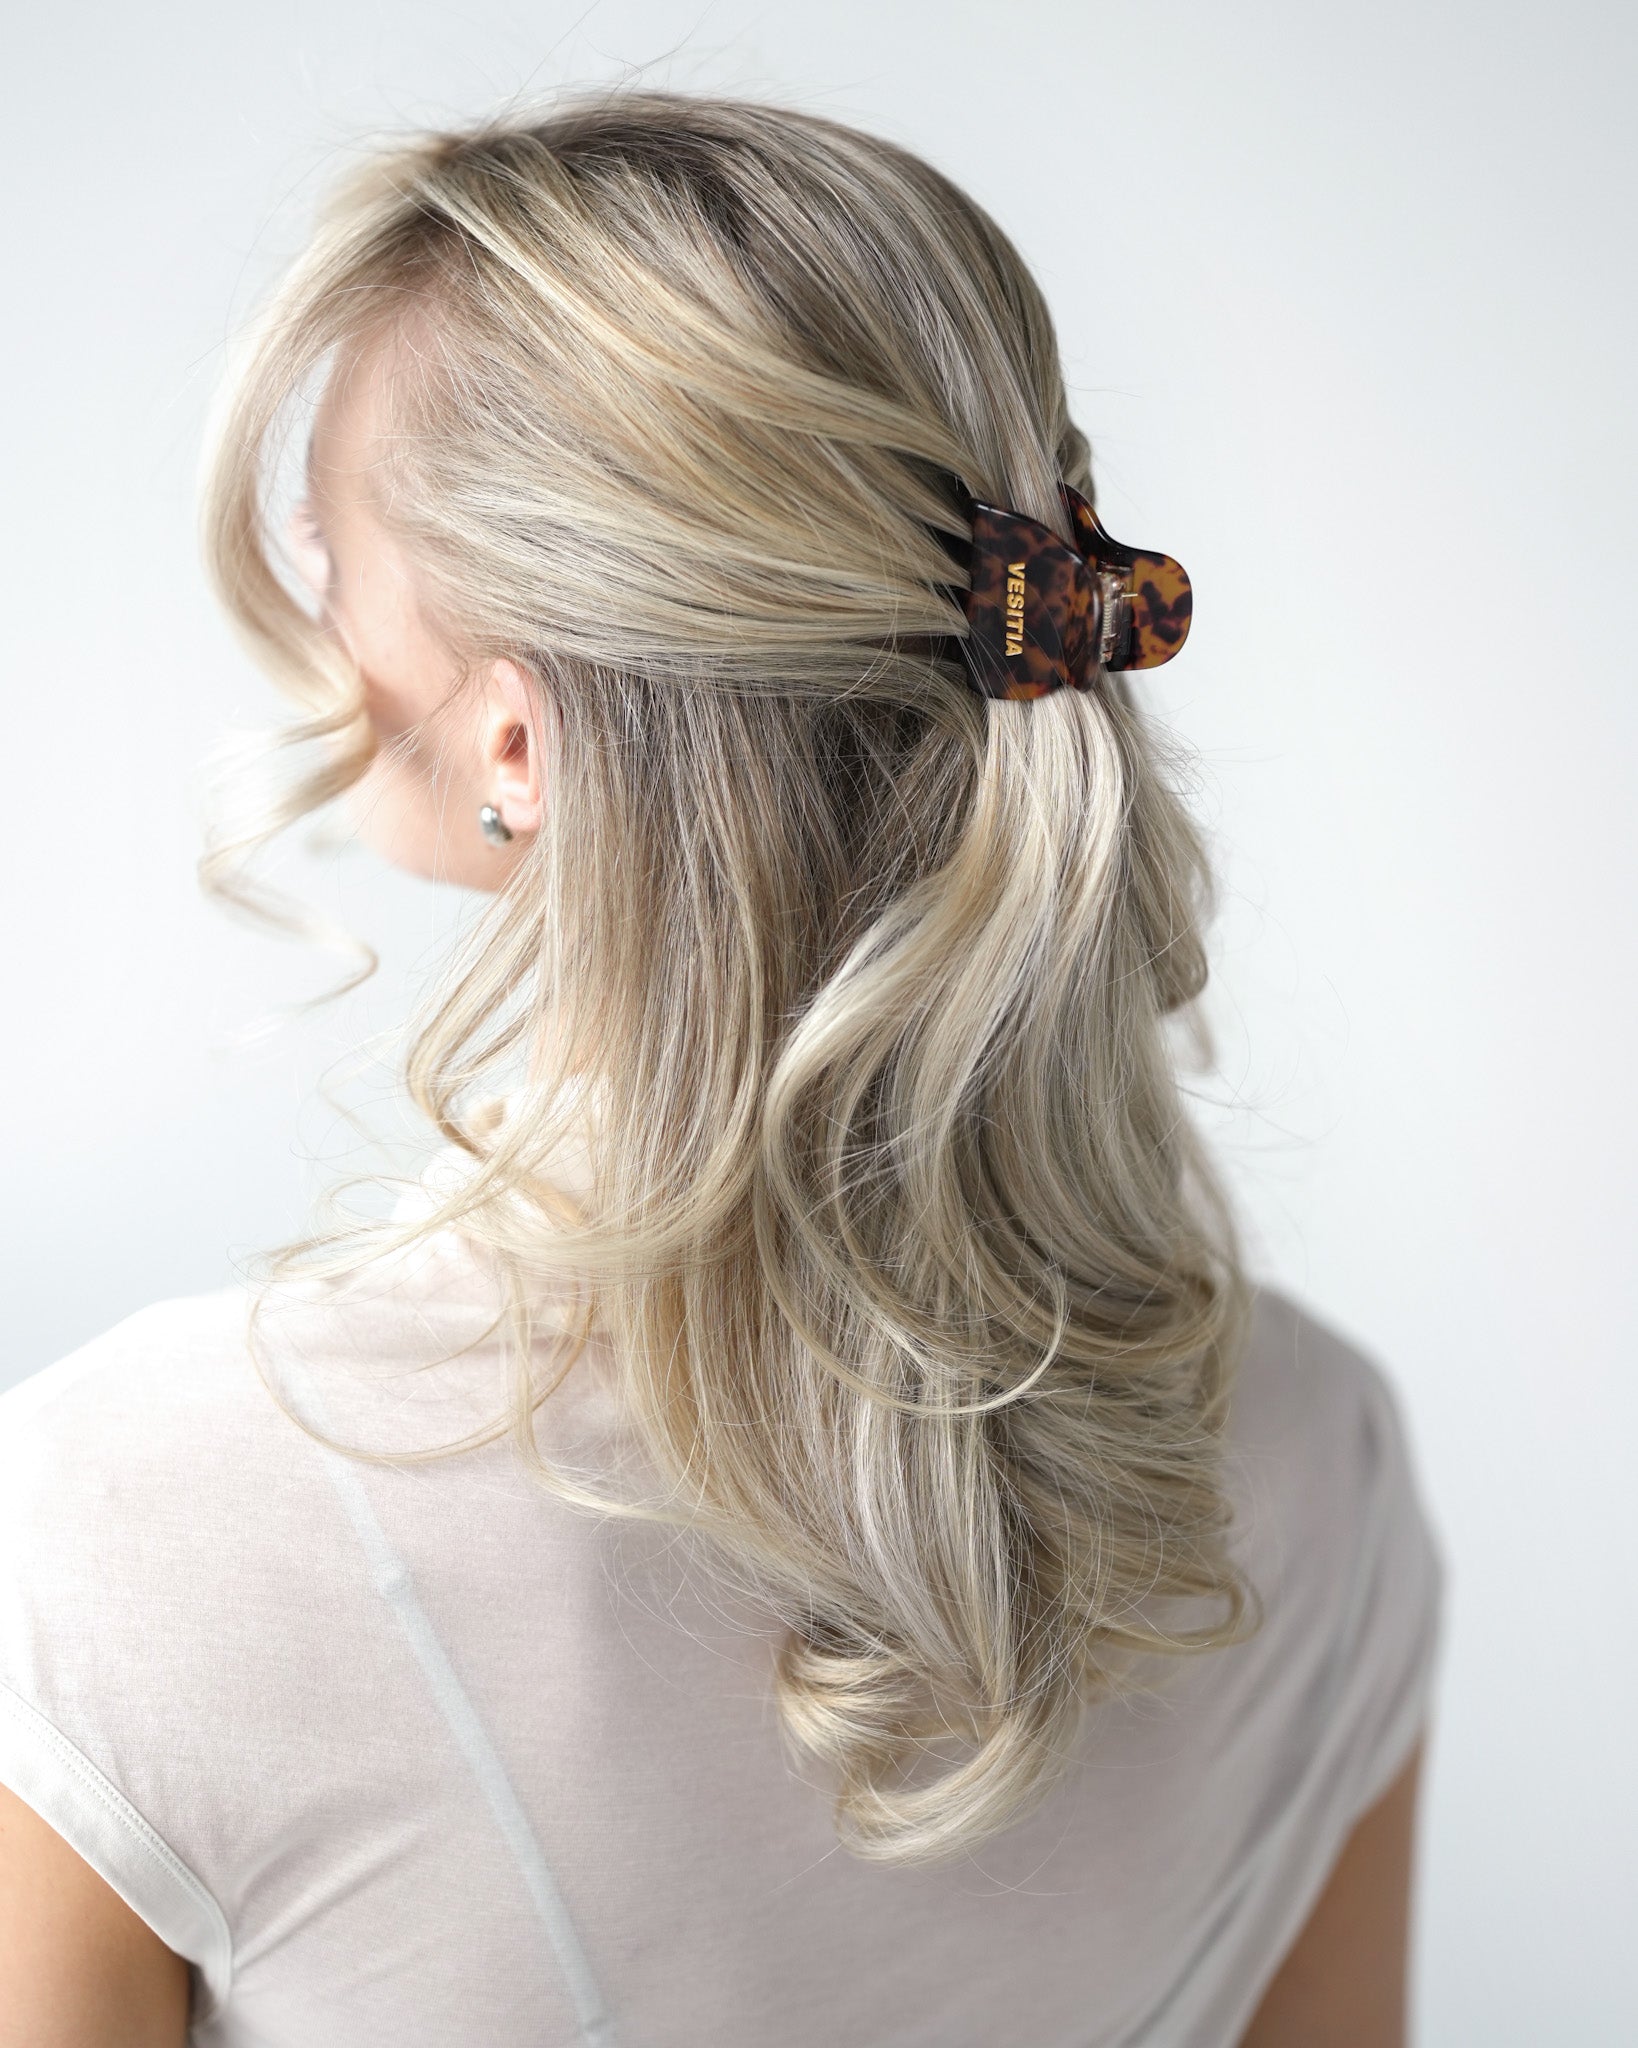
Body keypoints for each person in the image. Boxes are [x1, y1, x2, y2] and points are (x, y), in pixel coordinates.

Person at [0, 90, 1446, 2048]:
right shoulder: (1318, 1457)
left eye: (330, 551)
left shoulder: (124, 1531)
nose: (317, 622)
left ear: (518, 743)